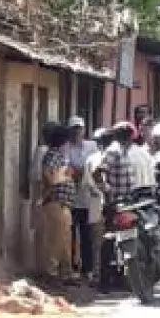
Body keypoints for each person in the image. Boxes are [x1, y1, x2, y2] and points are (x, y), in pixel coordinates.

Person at [38, 123, 80, 284]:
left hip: (64, 204)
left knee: (65, 241)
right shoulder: (53, 156)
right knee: (56, 240)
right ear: (64, 142)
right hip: (56, 202)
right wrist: (66, 175)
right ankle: (52, 273)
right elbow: (50, 178)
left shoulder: (60, 156)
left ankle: (66, 274)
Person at [62, 117, 98, 281]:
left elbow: (94, 167)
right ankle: (71, 268)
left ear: (84, 130)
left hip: (87, 198)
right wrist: (76, 172)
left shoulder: (91, 147)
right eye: (74, 129)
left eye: (79, 128)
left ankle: (88, 269)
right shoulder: (65, 148)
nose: (77, 132)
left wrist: (81, 172)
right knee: (70, 235)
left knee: (87, 235)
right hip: (70, 197)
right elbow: (66, 170)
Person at [79, 126, 113, 282]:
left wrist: (97, 190)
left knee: (98, 242)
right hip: (107, 204)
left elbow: (86, 183)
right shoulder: (114, 157)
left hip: (97, 204)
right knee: (104, 241)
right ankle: (103, 275)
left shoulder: (92, 159)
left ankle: (99, 275)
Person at [30, 121, 63, 272]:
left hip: (47, 196)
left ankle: (46, 270)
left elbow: (47, 178)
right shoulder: (50, 153)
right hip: (49, 196)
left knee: (46, 236)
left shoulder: (47, 153)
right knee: (48, 236)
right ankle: (46, 270)